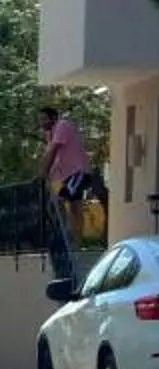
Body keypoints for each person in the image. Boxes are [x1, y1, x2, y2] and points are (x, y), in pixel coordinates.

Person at [38, 104, 89, 282]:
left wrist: (42, 173)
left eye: (44, 119)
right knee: (71, 205)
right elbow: (54, 157)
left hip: (77, 172)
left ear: (53, 118)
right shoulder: (50, 133)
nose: (42, 122)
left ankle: (74, 241)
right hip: (67, 175)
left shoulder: (62, 126)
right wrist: (49, 176)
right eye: (40, 119)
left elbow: (53, 152)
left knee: (63, 203)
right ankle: (72, 239)